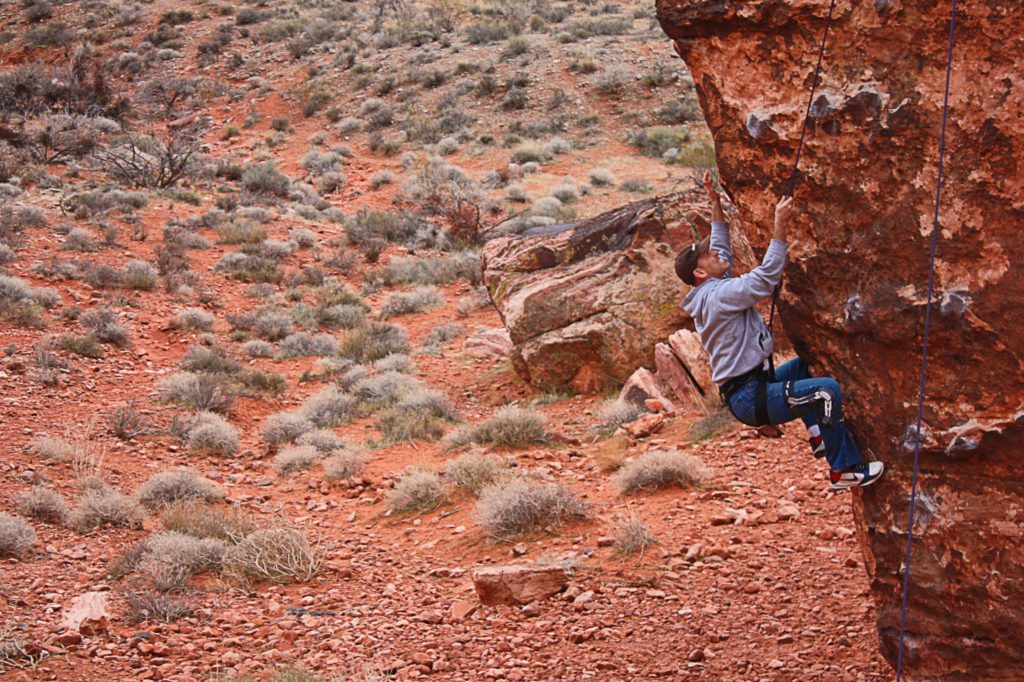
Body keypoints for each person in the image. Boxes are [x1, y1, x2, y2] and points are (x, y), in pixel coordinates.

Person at [674, 171, 883, 490]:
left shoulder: (712, 285)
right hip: (750, 397)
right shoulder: (719, 295)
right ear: (701, 271)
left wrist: (714, 200)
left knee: (805, 364)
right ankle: (844, 470)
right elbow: (767, 275)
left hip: (755, 385)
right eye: (708, 256)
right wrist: (779, 223)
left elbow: (721, 247)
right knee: (826, 390)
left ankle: (820, 436)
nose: (717, 254)